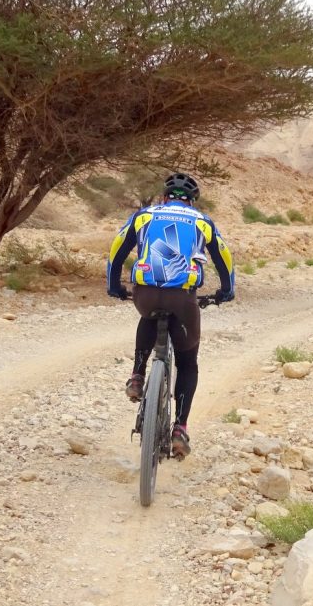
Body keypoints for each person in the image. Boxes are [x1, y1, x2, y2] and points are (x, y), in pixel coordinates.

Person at [107, 172, 235, 458]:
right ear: (192, 201)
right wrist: (227, 290)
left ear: (164, 197)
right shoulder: (202, 221)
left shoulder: (144, 215)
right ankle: (180, 429)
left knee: (148, 316)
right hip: (183, 299)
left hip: (145, 294)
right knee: (188, 364)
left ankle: (137, 376)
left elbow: (117, 250)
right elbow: (224, 258)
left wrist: (114, 286)